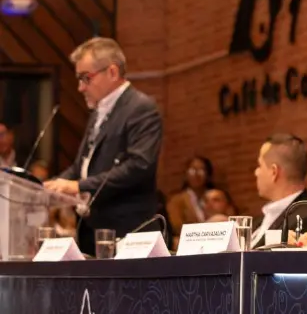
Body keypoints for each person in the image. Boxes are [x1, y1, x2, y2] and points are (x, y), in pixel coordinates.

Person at [44, 37, 163, 256]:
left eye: (85, 78)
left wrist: (79, 186)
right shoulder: (99, 112)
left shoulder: (141, 108)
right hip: (92, 232)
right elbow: (82, 166)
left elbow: (139, 165)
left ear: (112, 72)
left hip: (128, 234)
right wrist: (50, 188)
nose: (80, 88)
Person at [250, 133, 307, 248]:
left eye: (260, 165)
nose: (256, 172)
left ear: (273, 172)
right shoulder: (260, 220)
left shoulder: (306, 220)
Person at [167, 156, 215, 249]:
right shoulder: (177, 200)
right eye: (192, 170)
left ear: (208, 174)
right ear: (186, 175)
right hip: (189, 245)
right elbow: (176, 227)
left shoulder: (214, 196)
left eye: (201, 170)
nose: (196, 174)